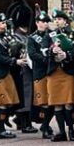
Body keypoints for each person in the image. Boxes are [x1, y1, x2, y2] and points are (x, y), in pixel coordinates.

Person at [45, 9, 74, 142]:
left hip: (68, 72)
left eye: (59, 19)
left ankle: (71, 129)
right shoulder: (50, 35)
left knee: (68, 103)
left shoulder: (73, 34)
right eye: (55, 20)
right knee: (56, 103)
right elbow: (43, 50)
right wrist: (52, 50)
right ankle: (61, 132)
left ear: (65, 21)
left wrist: (66, 55)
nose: (57, 22)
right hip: (54, 72)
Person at [8, 4, 37, 134]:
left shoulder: (27, 37)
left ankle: (21, 120)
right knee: (24, 96)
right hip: (21, 71)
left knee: (28, 96)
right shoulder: (15, 38)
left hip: (28, 71)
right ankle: (25, 123)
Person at [28, 10, 54, 138]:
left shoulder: (52, 35)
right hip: (40, 72)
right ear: (37, 23)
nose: (45, 24)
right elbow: (32, 54)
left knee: (53, 101)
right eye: (43, 22)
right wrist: (45, 59)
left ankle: (46, 124)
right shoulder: (32, 38)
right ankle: (45, 126)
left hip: (52, 71)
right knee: (44, 102)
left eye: (47, 22)